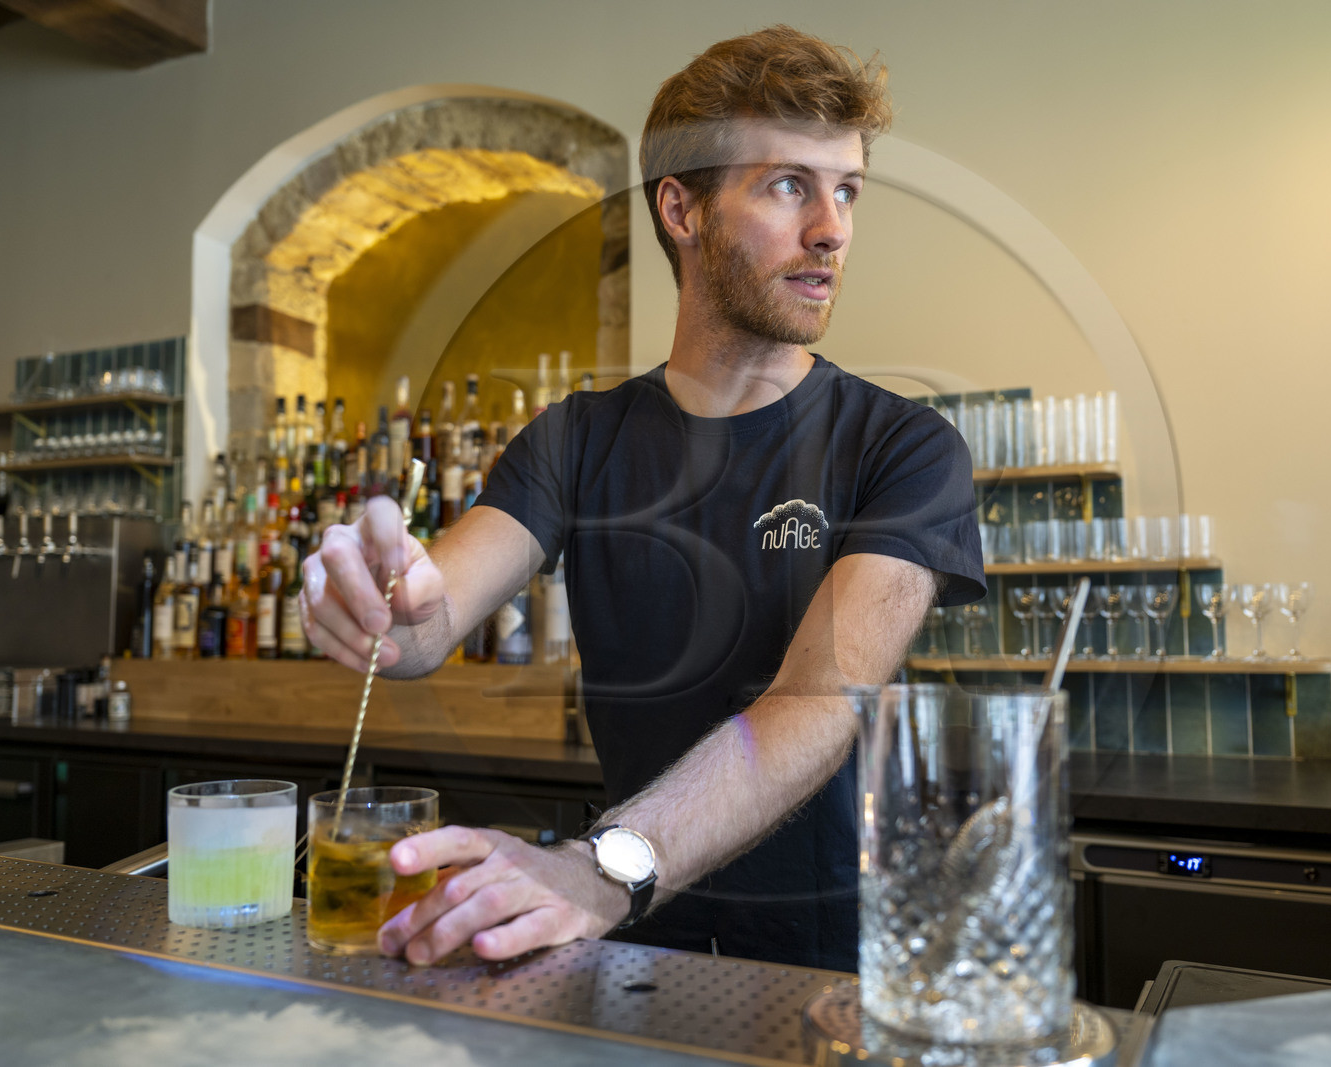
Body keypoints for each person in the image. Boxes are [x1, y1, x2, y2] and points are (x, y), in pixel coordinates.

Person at [302, 24, 985, 972]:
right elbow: (433, 608)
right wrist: (390, 614)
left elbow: (818, 700)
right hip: (628, 960)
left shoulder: (904, 447)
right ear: (681, 208)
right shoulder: (576, 439)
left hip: (832, 972)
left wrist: (601, 866)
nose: (833, 227)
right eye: (790, 185)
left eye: (847, 190)